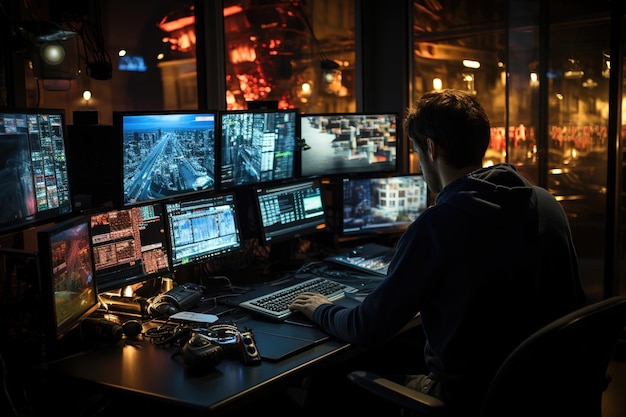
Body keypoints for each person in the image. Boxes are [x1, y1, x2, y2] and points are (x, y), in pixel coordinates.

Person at [289, 89, 587, 416]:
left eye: (416, 151)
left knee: (328, 380)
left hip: (469, 397)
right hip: (544, 388)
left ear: (430, 148)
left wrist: (320, 309)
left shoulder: (439, 225)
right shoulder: (545, 202)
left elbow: (366, 326)